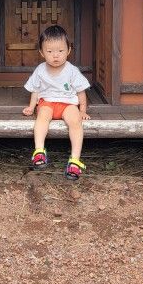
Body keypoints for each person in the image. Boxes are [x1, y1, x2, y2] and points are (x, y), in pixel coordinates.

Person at [22, 24, 91, 180]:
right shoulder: (40, 70)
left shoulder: (72, 70)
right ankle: (39, 151)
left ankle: (75, 160)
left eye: (60, 51)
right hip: (47, 102)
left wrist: (82, 110)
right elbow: (35, 90)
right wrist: (32, 107)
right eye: (50, 51)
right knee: (42, 117)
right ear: (41, 52)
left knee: (75, 122)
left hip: (68, 104)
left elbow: (81, 91)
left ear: (68, 50)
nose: (56, 56)